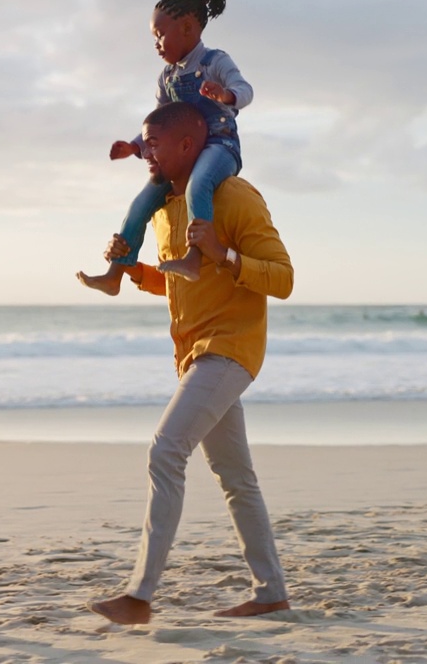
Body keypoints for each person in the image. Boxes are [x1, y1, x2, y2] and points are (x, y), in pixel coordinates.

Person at [87, 102, 293, 625]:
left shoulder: (235, 197)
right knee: (235, 477)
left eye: (154, 145)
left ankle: (139, 595)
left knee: (165, 450)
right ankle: (271, 593)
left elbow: (284, 278)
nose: (145, 153)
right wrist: (137, 270)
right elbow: (187, 282)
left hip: (231, 349)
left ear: (188, 145)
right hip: (195, 352)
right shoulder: (165, 206)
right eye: (143, 143)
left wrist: (225, 254)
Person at [79, 0, 252, 294]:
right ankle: (116, 272)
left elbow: (246, 90)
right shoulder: (167, 78)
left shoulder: (215, 61)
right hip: (181, 156)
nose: (156, 44)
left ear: (187, 28)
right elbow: (159, 124)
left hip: (218, 145)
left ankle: (194, 257)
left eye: (160, 35)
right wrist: (134, 145)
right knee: (142, 201)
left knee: (199, 185)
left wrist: (225, 95)